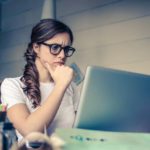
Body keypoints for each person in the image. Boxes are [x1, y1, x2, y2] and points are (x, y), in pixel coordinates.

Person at [1, 18, 79, 142]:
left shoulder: (71, 87)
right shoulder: (11, 85)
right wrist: (60, 86)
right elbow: (30, 131)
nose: (62, 55)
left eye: (66, 49)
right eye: (55, 47)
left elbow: (77, 132)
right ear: (36, 47)